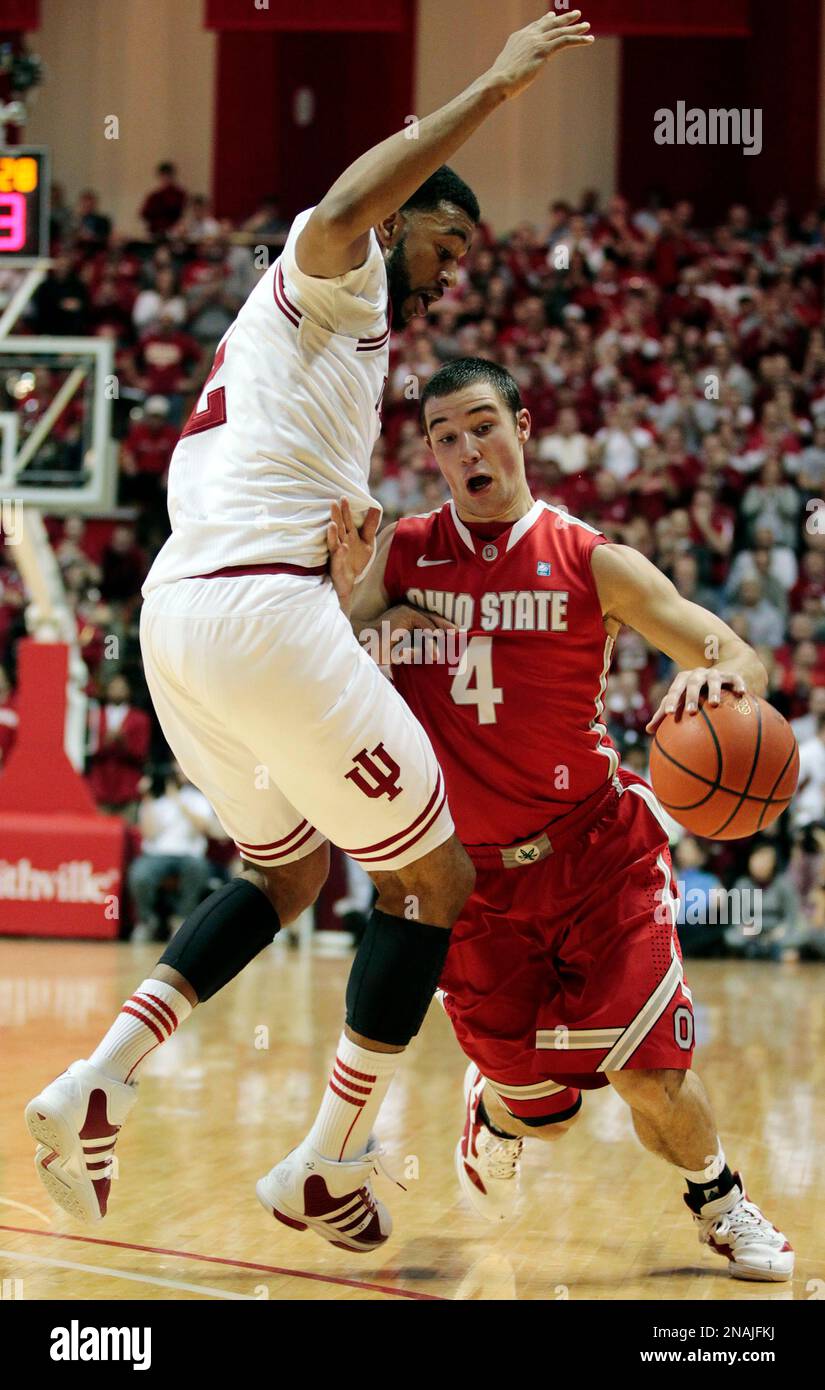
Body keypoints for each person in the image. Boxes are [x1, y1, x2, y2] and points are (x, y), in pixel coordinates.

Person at [25, 9, 595, 1253]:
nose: (460, 263)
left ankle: (96, 1082)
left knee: (285, 872)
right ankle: (329, 1161)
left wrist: (339, 554)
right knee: (430, 875)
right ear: (403, 216)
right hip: (249, 614)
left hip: (183, 616)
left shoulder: (313, 340)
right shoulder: (341, 262)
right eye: (451, 234)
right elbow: (343, 205)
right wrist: (495, 88)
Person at [340, 356, 793, 1280]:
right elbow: (318, 647)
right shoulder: (402, 554)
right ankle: (496, 1109)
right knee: (541, 1104)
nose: (467, 449)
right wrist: (346, 590)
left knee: (646, 1073)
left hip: (597, 854)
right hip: (467, 880)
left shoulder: (593, 560)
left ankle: (722, 1201)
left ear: (523, 427)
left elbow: (737, 653)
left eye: (481, 426)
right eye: (444, 437)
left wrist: (720, 677)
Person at [129, 765, 225, 941]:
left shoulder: (198, 799)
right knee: (139, 874)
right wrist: (147, 797)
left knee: (198, 869)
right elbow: (149, 833)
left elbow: (202, 828)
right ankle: (146, 921)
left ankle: (181, 920)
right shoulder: (154, 801)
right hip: (156, 855)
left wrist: (178, 800)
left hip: (189, 855)